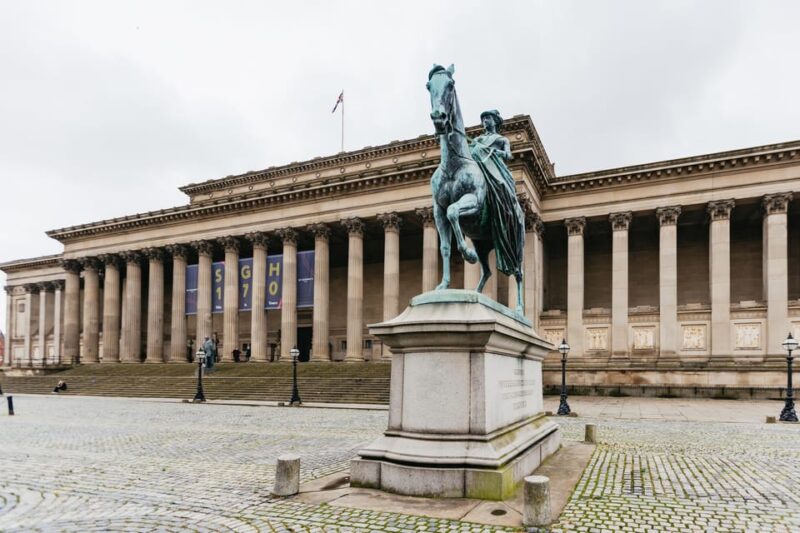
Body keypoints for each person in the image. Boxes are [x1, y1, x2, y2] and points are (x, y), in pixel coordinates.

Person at [469, 109, 525, 277]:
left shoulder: (501, 140)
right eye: (483, 118)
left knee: (501, 186)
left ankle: (506, 215)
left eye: (488, 117)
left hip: (496, 170)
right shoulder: (478, 139)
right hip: (479, 170)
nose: (485, 120)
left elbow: (508, 155)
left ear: (495, 121)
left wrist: (495, 152)